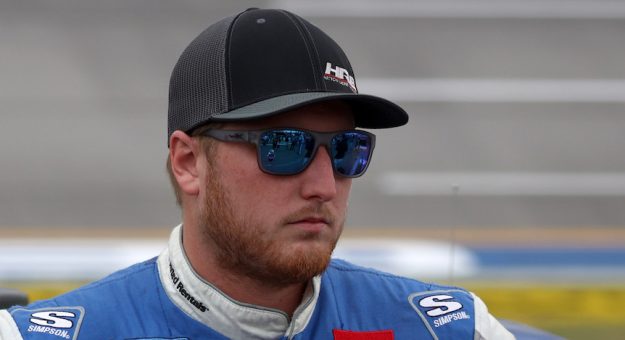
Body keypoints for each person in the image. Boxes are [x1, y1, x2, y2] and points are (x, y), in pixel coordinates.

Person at [0, 8, 514, 340]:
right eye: (283, 147)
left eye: (345, 150)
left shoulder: (450, 328)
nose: (323, 185)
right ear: (188, 163)